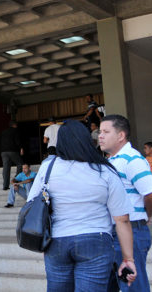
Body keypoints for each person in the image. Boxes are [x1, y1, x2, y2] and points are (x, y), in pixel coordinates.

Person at [28, 120, 136, 291]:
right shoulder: (104, 170)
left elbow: (31, 203)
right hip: (96, 241)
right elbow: (122, 219)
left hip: (56, 242)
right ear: (86, 139)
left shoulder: (48, 167)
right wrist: (128, 259)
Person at [99, 115, 152, 292]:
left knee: (132, 287)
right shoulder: (112, 160)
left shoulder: (132, 159)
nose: (100, 136)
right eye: (100, 132)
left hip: (130, 232)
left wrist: (145, 214)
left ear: (121, 135)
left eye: (106, 131)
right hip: (113, 233)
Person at [0, 121, 23, 191]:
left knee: (6, 167)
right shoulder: (15, 131)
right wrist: (21, 148)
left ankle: (5, 185)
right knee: (20, 164)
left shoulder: (3, 132)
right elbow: (17, 140)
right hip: (12, 150)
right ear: (15, 125)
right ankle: (16, 179)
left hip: (3, 151)